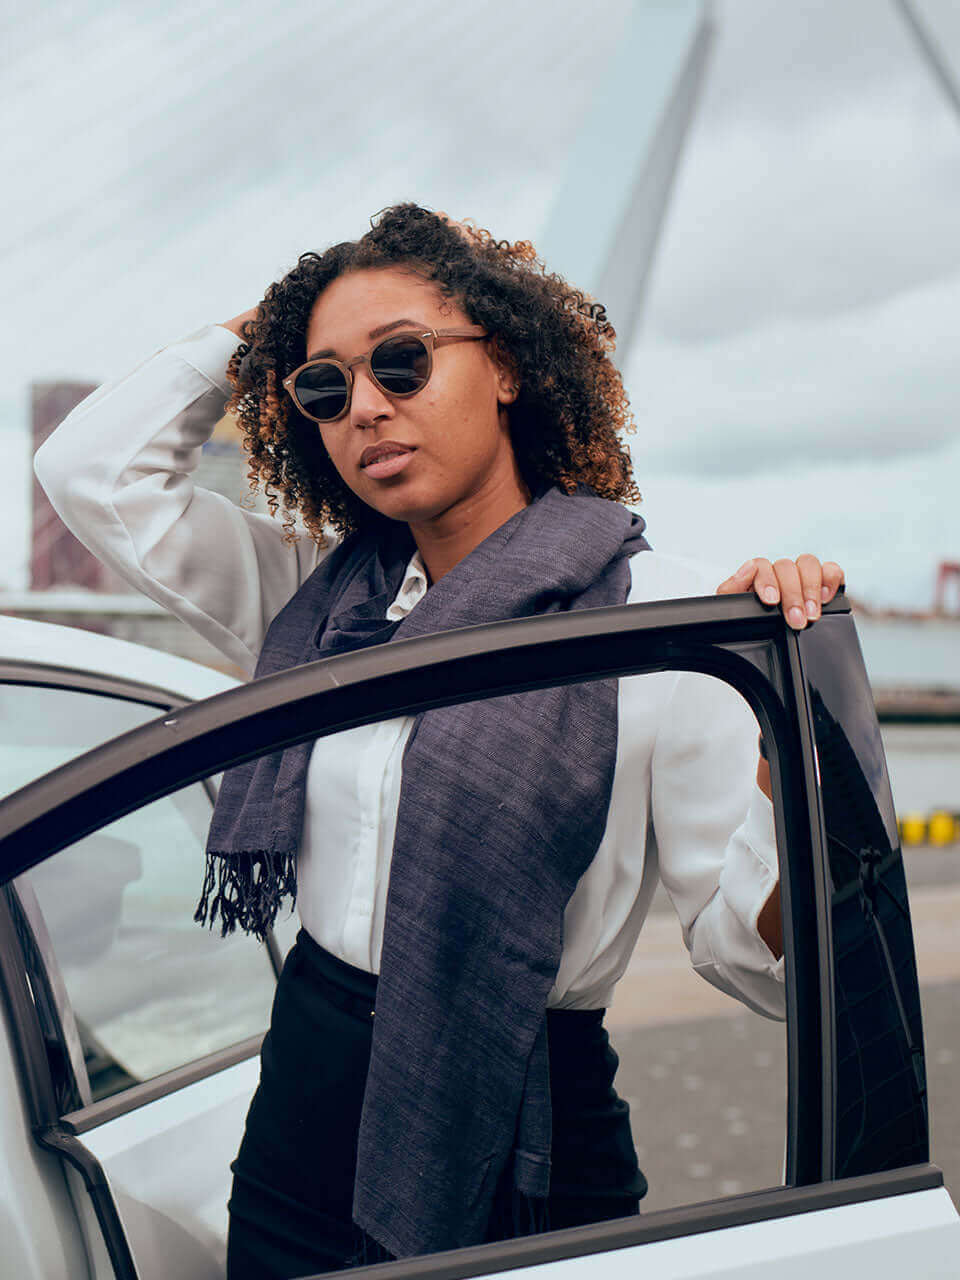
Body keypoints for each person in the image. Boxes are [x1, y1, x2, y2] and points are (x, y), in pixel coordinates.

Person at [34, 204, 843, 1277]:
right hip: (305, 1107)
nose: (365, 406)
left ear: (504, 365)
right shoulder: (314, 604)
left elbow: (759, 952)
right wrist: (261, 333)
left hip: (528, 1132)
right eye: (325, 386)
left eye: (403, 362)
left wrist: (803, 757)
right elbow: (92, 476)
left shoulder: (656, 618)